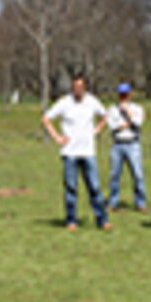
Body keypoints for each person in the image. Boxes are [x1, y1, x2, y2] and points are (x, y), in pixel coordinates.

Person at [42, 74, 111, 232]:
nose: (77, 90)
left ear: (85, 87)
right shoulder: (65, 103)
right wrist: (57, 137)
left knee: (94, 187)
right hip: (70, 152)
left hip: (88, 152)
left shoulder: (92, 101)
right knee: (71, 189)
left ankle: (102, 220)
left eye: (80, 87)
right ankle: (71, 220)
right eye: (75, 87)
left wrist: (97, 130)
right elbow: (46, 119)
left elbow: (104, 116)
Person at [106, 83, 146, 212]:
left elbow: (137, 124)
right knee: (114, 175)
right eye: (121, 94)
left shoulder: (137, 109)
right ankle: (113, 202)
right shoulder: (112, 110)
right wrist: (127, 124)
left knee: (138, 174)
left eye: (126, 94)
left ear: (130, 94)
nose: (123, 97)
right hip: (117, 144)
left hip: (133, 143)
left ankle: (140, 202)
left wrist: (128, 114)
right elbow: (113, 128)